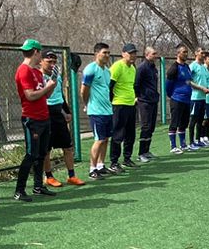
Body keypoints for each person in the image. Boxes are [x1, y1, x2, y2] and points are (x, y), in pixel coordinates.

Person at [13, 39, 57, 201]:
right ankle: (19, 190)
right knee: (31, 154)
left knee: (42, 154)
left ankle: (38, 186)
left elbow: (46, 95)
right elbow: (30, 96)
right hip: (31, 119)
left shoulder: (37, 72)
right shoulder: (23, 70)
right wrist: (48, 86)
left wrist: (53, 82)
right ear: (36, 52)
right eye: (40, 52)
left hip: (44, 117)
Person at [41, 51, 85, 189]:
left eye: (54, 62)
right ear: (41, 61)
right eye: (49, 61)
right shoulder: (38, 77)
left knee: (68, 146)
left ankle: (71, 175)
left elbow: (60, 95)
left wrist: (67, 111)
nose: (52, 64)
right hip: (45, 114)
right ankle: (48, 176)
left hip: (58, 114)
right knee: (46, 149)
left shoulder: (57, 76)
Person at [81, 42, 115, 177]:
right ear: (96, 54)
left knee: (105, 139)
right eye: (104, 53)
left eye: (108, 53)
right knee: (99, 139)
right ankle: (92, 169)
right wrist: (87, 104)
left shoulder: (107, 71)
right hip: (96, 111)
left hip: (108, 110)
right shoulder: (90, 69)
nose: (107, 55)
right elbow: (84, 90)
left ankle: (101, 165)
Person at [110, 43, 139, 169]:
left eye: (134, 53)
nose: (133, 55)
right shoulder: (117, 66)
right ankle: (114, 162)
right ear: (123, 54)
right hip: (119, 105)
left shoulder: (133, 68)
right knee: (118, 134)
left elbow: (132, 86)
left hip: (131, 104)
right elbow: (110, 86)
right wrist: (111, 101)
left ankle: (127, 159)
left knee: (130, 134)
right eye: (130, 53)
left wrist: (135, 98)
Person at [165, 46, 194, 154]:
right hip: (177, 99)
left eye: (187, 52)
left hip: (187, 100)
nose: (186, 54)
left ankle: (183, 144)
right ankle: (173, 146)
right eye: (184, 52)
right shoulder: (174, 68)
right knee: (174, 123)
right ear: (178, 53)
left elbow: (188, 81)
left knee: (184, 123)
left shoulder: (186, 66)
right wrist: (172, 95)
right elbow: (168, 85)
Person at [135, 45, 161, 162]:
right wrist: (137, 96)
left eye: (156, 54)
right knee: (145, 126)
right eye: (153, 54)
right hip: (144, 101)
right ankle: (141, 153)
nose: (155, 56)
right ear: (147, 55)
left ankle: (147, 151)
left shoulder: (153, 68)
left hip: (153, 100)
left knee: (151, 127)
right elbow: (136, 84)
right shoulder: (142, 68)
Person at [188, 47, 209, 148]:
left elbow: (205, 80)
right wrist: (201, 88)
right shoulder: (192, 66)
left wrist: (207, 88)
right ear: (196, 53)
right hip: (195, 97)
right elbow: (188, 81)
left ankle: (198, 140)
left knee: (200, 120)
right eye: (201, 53)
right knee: (193, 120)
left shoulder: (203, 67)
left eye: (204, 53)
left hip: (203, 98)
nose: (203, 55)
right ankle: (191, 142)